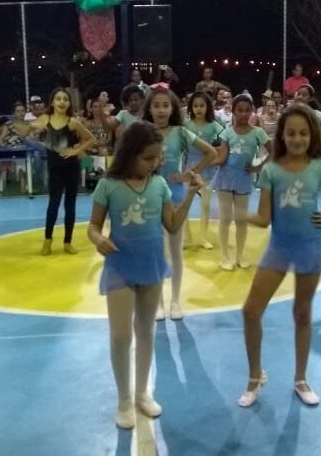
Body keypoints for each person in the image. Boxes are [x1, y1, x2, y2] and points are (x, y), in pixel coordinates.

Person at [238, 103, 321, 408]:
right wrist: (241, 216)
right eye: (291, 133)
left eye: (303, 133)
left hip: (310, 248)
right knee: (251, 311)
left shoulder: (320, 168)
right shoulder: (271, 170)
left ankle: (301, 379)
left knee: (302, 314)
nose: (297, 139)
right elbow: (264, 218)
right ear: (281, 135)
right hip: (278, 248)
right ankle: (255, 376)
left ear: (312, 135)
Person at [87, 121, 204, 429]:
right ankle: (124, 399)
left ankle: (141, 393)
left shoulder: (159, 185)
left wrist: (190, 195)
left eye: (158, 157)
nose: (155, 163)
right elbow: (93, 226)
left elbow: (173, 225)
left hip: (151, 265)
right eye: (148, 158)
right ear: (129, 153)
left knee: (146, 331)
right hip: (119, 266)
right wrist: (98, 239)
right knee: (120, 336)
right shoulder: (108, 186)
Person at [143, 86, 217, 320]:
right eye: (156, 105)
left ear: (173, 108)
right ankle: (158, 303)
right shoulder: (143, 133)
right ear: (149, 109)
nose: (161, 110)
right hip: (148, 197)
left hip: (175, 197)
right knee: (155, 252)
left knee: (175, 251)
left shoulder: (181, 132)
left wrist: (189, 174)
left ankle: (175, 301)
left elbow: (211, 153)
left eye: (165, 105)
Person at [29, 88, 96, 255]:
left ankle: (67, 242)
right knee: (53, 204)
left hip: (71, 169)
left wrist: (75, 151)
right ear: (52, 102)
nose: (62, 102)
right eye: (58, 99)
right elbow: (30, 129)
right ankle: (47, 240)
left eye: (65, 99)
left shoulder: (73, 122)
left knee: (70, 205)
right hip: (54, 169)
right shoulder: (45, 119)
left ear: (69, 103)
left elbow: (91, 139)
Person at [214, 93, 271, 270]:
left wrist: (257, 167)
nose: (244, 114)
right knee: (225, 218)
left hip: (244, 180)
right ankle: (224, 256)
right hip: (224, 179)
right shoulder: (227, 132)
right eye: (240, 110)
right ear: (233, 111)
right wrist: (205, 162)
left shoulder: (258, 133)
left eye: (247, 110)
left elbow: (273, 152)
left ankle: (240, 255)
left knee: (241, 219)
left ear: (252, 112)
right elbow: (222, 157)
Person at [183, 91, 225, 250]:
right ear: (191, 108)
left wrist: (218, 153)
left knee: (205, 205)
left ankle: (203, 237)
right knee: (184, 203)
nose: (198, 109)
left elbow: (226, 140)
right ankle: (186, 237)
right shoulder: (185, 125)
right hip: (189, 169)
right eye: (195, 106)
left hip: (208, 168)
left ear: (208, 107)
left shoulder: (214, 125)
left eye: (202, 105)